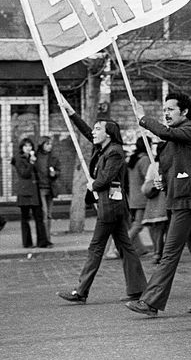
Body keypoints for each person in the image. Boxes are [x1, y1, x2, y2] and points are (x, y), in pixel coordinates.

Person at [124, 93, 191, 317]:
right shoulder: (172, 141)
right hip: (178, 198)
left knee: (169, 253)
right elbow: (173, 165)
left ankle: (151, 302)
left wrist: (142, 117)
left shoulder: (190, 131)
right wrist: (162, 178)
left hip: (186, 200)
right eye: (165, 110)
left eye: (171, 109)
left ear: (185, 112)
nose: (166, 113)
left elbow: (165, 132)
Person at [56, 102, 147, 304]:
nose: (94, 132)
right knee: (126, 247)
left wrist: (93, 185)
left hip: (111, 208)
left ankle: (81, 291)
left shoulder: (114, 152)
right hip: (112, 206)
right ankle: (139, 288)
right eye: (95, 129)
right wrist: (72, 114)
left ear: (109, 134)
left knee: (96, 248)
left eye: (99, 129)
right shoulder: (104, 148)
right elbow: (88, 133)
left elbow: (105, 179)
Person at [11, 138, 51, 249]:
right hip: (25, 191)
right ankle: (27, 242)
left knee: (39, 216)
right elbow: (24, 173)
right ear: (22, 148)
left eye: (30, 146)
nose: (28, 148)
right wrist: (31, 163)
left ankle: (42, 241)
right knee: (25, 218)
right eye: (26, 146)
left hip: (35, 191)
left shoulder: (33, 158)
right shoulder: (19, 159)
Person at [125, 137, 154, 258]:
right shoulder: (145, 160)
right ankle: (119, 246)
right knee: (138, 225)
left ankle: (140, 249)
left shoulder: (133, 159)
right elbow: (148, 178)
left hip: (133, 196)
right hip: (143, 197)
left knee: (137, 223)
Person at [34, 137, 61, 239]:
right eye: (47, 144)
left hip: (50, 188)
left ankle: (48, 237)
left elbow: (59, 171)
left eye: (50, 144)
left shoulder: (53, 157)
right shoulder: (36, 156)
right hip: (40, 188)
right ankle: (44, 238)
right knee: (44, 213)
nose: (50, 146)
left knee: (49, 214)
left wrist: (55, 173)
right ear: (42, 145)